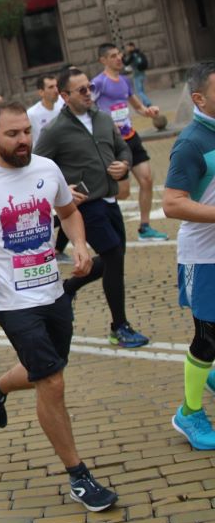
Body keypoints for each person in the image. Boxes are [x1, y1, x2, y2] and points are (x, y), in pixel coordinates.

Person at [0, 101, 119, 512]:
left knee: (50, 367)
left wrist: (77, 243)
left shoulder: (46, 169)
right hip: (10, 298)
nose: (23, 141)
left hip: (53, 291)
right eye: (12, 134)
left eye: (26, 132)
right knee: (52, 382)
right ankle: (79, 476)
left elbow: (69, 211)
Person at [35, 66, 150, 348]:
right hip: (86, 205)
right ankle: (119, 326)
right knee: (112, 255)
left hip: (111, 200)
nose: (89, 93)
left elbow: (121, 147)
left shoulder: (102, 117)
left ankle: (69, 288)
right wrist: (60, 190)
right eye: (82, 90)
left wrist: (123, 164)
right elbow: (36, 167)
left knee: (116, 256)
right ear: (65, 95)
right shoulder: (55, 130)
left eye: (90, 87)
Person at [162, 60, 215, 449]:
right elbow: (172, 204)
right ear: (199, 98)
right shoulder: (191, 142)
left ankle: (209, 375)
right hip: (204, 256)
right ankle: (189, 413)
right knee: (207, 339)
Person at [93, 43, 166, 241]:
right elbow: (88, 108)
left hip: (131, 137)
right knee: (123, 193)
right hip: (113, 143)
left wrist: (149, 112)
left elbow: (138, 107)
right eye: (114, 56)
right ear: (103, 60)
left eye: (119, 55)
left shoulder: (125, 81)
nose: (119, 58)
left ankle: (144, 227)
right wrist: (104, 124)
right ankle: (94, 210)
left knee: (147, 179)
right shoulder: (99, 83)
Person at [27, 75, 65, 149]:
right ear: (41, 92)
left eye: (56, 86)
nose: (56, 90)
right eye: (51, 87)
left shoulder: (63, 104)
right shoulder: (31, 114)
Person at [123, 41, 152, 106]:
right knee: (142, 90)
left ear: (132, 47)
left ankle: (148, 103)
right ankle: (145, 103)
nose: (127, 49)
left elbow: (126, 63)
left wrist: (122, 57)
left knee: (139, 91)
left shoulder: (132, 55)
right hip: (142, 73)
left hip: (137, 75)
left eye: (128, 47)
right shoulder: (139, 53)